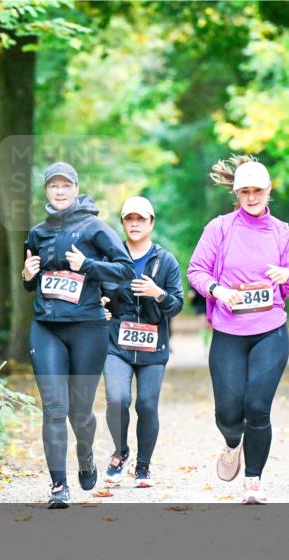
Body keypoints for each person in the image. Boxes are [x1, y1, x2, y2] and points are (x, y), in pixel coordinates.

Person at [186, 156, 289, 504]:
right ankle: (231, 443)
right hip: (228, 331)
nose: (251, 197)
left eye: (257, 191)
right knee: (228, 412)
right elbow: (196, 271)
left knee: (257, 406)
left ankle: (253, 480)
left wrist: (288, 277)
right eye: (245, 191)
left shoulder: (283, 232)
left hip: (271, 330)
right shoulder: (220, 228)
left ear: (269, 192)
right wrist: (217, 290)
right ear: (236, 193)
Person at [22, 162, 135, 509]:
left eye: (65, 185)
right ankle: (59, 485)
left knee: (80, 412)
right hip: (47, 327)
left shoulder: (95, 228)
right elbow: (32, 281)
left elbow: (125, 270)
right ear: (46, 191)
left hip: (88, 327)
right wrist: (26, 276)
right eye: (53, 186)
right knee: (54, 407)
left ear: (75, 188)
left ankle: (85, 454)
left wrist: (86, 265)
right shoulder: (37, 233)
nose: (59, 191)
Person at [100, 196, 184, 488]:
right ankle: (121, 451)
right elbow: (92, 294)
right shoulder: (110, 258)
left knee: (147, 405)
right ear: (123, 223)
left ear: (151, 223)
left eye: (141, 219)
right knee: (117, 399)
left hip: (153, 343)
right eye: (129, 219)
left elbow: (176, 306)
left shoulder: (166, 260)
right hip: (116, 343)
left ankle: (143, 466)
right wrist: (99, 306)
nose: (134, 224)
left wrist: (156, 293)